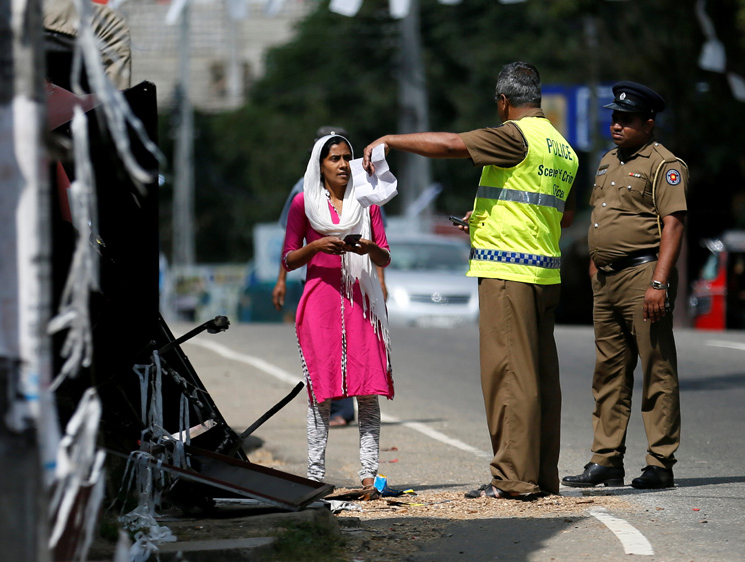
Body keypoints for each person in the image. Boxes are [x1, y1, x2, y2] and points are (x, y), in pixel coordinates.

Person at [362, 62, 578, 499]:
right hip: (544, 272)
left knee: (508, 375)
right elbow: (561, 214)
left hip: (508, 273)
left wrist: (390, 140)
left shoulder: (515, 135)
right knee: (540, 378)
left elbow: (450, 144)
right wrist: (485, 219)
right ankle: (540, 475)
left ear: (504, 102)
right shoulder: (563, 148)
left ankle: (512, 477)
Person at [562, 82, 687, 490]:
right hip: (608, 279)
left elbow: (673, 224)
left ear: (648, 124)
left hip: (643, 276)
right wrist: (596, 264)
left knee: (657, 369)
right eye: (614, 118)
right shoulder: (606, 161)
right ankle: (606, 459)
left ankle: (660, 462)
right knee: (608, 372)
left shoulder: (664, 164)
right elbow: (603, 216)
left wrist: (659, 282)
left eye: (627, 119)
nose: (617, 125)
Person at [281, 133, 393, 489]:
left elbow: (384, 257)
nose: (343, 164)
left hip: (362, 303)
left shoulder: (368, 202)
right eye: (335, 159)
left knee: (368, 389)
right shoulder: (303, 203)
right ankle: (314, 478)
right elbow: (288, 258)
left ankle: (369, 477)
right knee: (320, 392)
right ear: (320, 166)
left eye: (347, 157)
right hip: (320, 303)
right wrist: (316, 246)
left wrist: (368, 248)